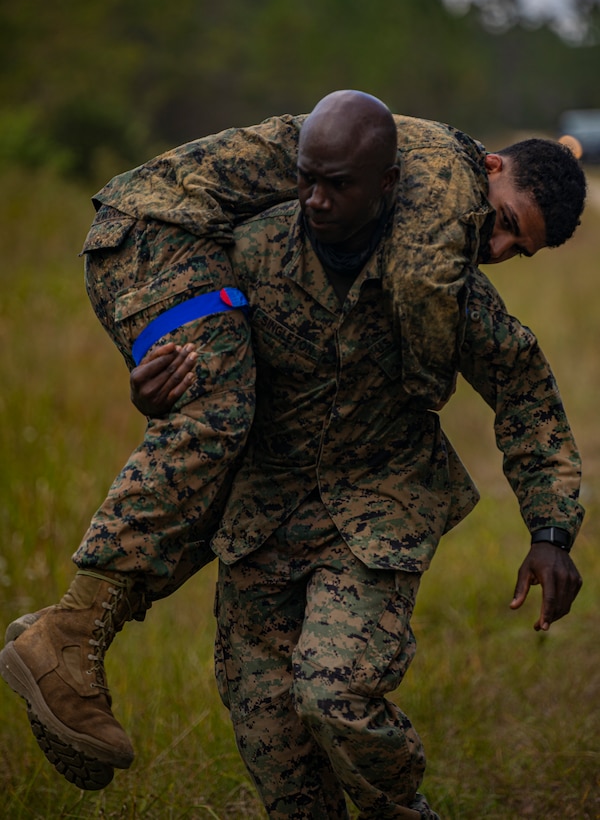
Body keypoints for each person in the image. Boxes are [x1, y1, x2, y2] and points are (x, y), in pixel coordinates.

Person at [0, 92, 586, 797]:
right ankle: (73, 632)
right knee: (273, 741)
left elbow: (525, 389)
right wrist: (151, 387)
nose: (494, 251)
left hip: (372, 516)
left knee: (334, 697)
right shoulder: (252, 248)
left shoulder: (449, 289)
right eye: (499, 225)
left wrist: (551, 528)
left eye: (514, 247)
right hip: (263, 521)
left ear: (390, 184)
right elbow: (197, 376)